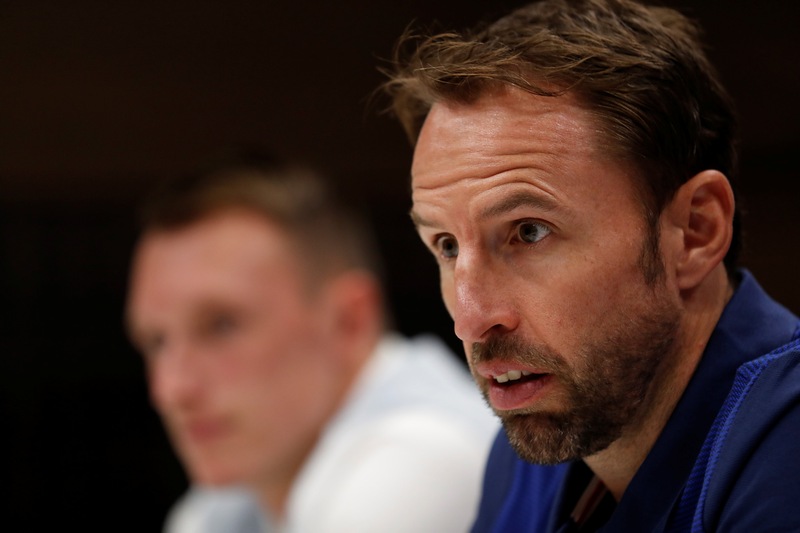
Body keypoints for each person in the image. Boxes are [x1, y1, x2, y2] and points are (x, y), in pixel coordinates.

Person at [382, 0, 800, 531]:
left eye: (528, 232)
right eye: (446, 245)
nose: (470, 320)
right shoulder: (529, 452)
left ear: (696, 231)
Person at [125, 151, 498, 532]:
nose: (172, 390)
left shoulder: (419, 464)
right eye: (156, 342)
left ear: (349, 322)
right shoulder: (229, 503)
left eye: (221, 326)